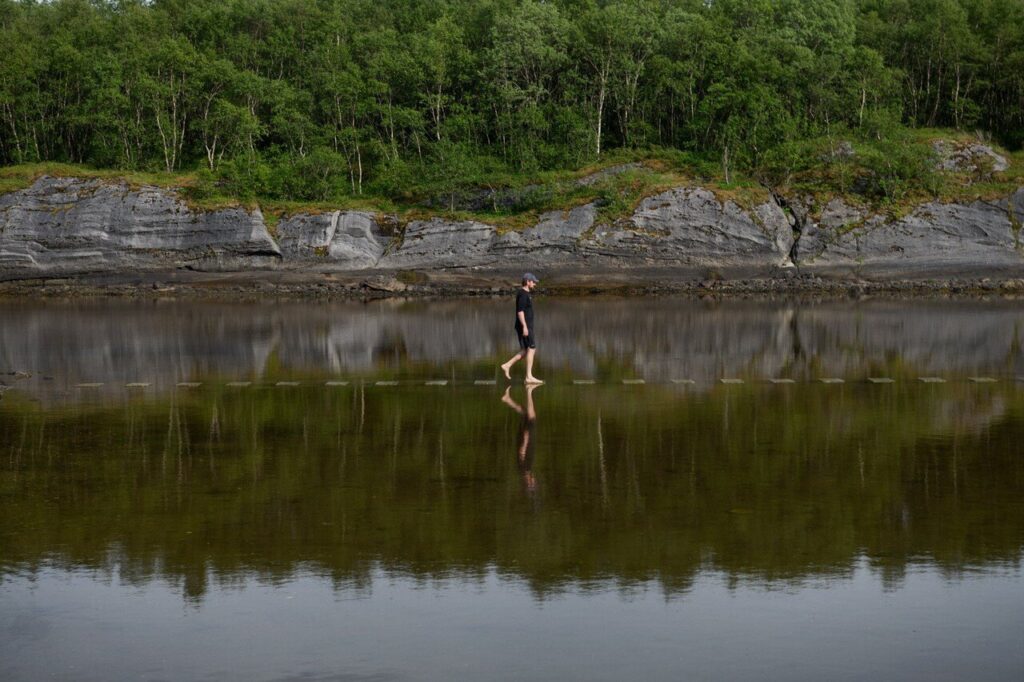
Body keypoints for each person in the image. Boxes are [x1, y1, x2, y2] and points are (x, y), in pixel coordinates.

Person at [500, 273, 543, 384]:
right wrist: (524, 327)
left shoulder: (526, 293)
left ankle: (507, 365)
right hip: (525, 326)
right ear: (527, 281)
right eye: (533, 282)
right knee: (532, 349)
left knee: (525, 350)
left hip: (527, 326)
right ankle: (528, 377)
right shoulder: (523, 294)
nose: (534, 284)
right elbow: (520, 312)